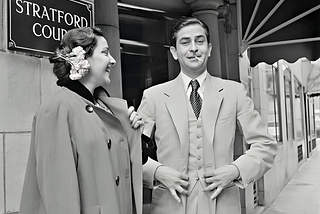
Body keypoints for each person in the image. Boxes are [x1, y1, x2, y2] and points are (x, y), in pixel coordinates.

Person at [138, 17, 277, 214]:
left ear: (209, 49)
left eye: (199, 41)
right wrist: (157, 172)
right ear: (174, 52)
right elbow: (130, 151)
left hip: (222, 205)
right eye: (185, 42)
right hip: (170, 206)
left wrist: (236, 170)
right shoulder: (153, 96)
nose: (193, 48)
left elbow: (266, 145)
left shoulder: (234, 92)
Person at [19, 27, 143, 214]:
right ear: (82, 59)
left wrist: (132, 129)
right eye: (105, 53)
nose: (113, 60)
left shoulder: (109, 108)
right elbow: (59, 196)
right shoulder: (57, 108)